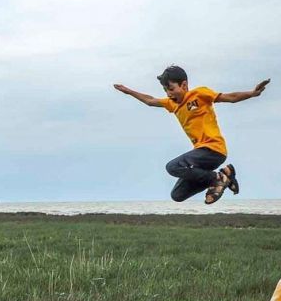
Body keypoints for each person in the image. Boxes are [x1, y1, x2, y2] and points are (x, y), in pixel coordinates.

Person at [114, 66, 270, 203]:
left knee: (172, 167)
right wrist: (127, 91)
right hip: (200, 158)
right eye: (166, 90)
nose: (169, 94)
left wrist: (252, 93)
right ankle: (225, 176)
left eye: (171, 89)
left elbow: (230, 98)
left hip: (213, 150)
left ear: (184, 84)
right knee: (177, 195)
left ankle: (216, 179)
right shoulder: (171, 104)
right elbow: (150, 100)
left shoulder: (200, 94)